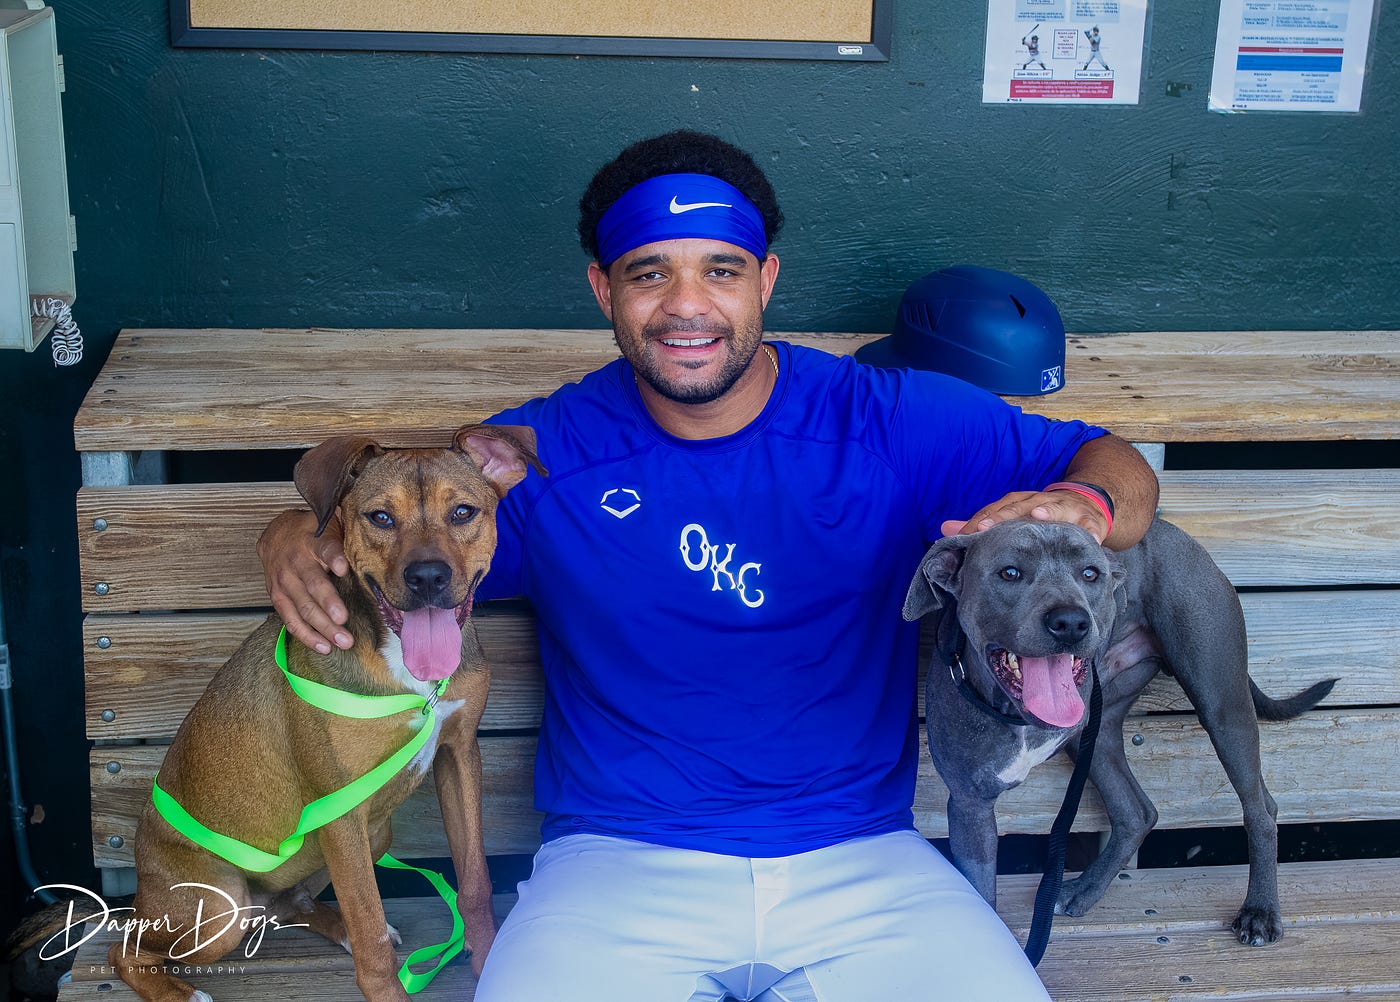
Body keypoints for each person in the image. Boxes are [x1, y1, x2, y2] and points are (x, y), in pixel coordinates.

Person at [258, 129, 1159, 1001]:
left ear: (765, 279)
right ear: (603, 289)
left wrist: (1087, 505)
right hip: (616, 863)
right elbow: (409, 529)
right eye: (650, 273)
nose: (688, 306)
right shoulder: (544, 454)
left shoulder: (888, 420)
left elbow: (1111, 459)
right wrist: (292, 533)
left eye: (720, 270)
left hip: (862, 857)